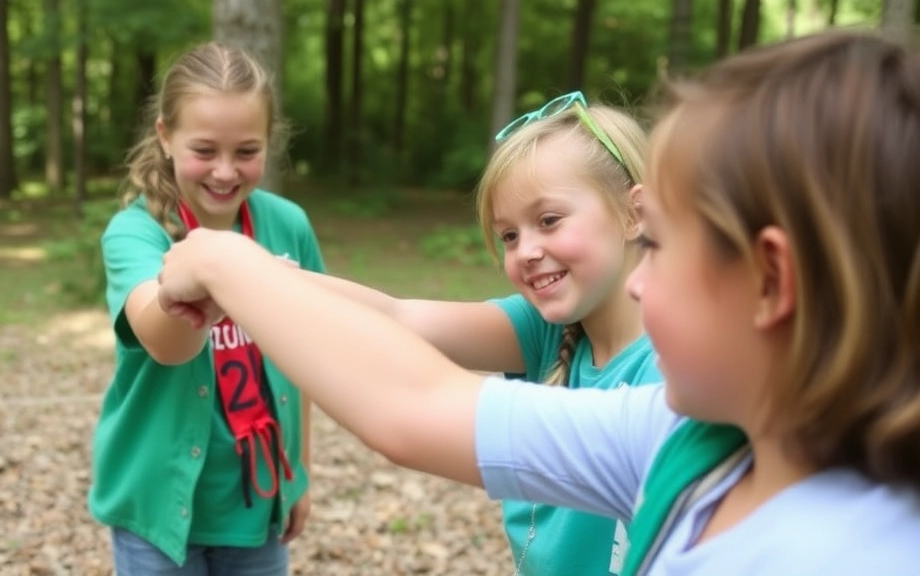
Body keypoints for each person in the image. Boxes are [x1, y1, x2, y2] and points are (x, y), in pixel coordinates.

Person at [157, 30, 920, 575]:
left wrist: (227, 263)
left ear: (771, 281)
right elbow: (407, 384)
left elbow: (409, 400)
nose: (640, 281)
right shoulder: (687, 441)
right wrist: (244, 272)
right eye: (508, 234)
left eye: (659, 245)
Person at [299, 91, 659, 576]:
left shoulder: (677, 369)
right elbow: (398, 317)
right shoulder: (543, 331)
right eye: (509, 235)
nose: (526, 250)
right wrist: (258, 279)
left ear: (634, 213)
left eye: (548, 221)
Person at [89, 42, 325, 575]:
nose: (224, 172)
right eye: (204, 150)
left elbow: (306, 363)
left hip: (256, 504)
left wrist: (300, 476)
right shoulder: (136, 232)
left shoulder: (289, 226)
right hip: (157, 511)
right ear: (165, 136)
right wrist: (196, 282)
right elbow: (168, 344)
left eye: (246, 151)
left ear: (269, 142)